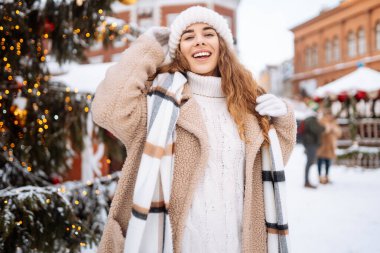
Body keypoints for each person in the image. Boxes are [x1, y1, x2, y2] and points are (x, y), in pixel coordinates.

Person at [91, 6, 296, 253]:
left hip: (240, 244)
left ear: (222, 46)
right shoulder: (159, 105)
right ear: (179, 51)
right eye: (188, 36)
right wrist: (150, 45)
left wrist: (284, 119)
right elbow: (107, 109)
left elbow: (272, 163)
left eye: (208, 34)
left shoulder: (248, 107)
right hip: (176, 244)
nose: (199, 40)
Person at [316, 110, 342, 184]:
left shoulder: (334, 122)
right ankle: (320, 177)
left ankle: (326, 176)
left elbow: (339, 133)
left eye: (331, 115)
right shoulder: (321, 122)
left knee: (328, 162)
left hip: (330, 145)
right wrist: (328, 128)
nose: (330, 116)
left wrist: (335, 129)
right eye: (328, 115)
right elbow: (321, 131)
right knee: (320, 161)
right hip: (322, 144)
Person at [302, 110, 325, 189]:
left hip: (310, 143)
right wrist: (323, 127)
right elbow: (316, 130)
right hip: (310, 143)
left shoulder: (311, 119)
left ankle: (307, 181)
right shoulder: (311, 120)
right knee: (309, 162)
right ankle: (306, 182)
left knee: (310, 162)